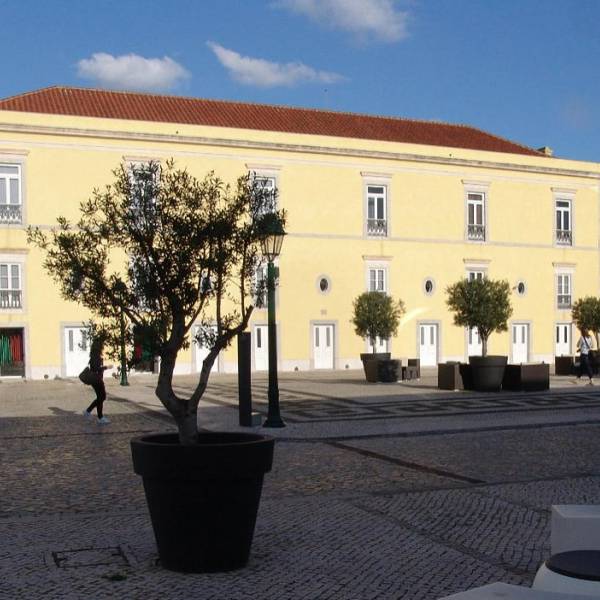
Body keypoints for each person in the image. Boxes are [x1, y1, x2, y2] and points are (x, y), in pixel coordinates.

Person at [82, 335, 111, 424]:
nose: (103, 346)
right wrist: (106, 367)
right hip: (96, 379)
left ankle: (97, 416)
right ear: (99, 346)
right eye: (102, 345)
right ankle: (91, 413)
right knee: (102, 397)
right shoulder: (95, 355)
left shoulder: (95, 354)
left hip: (97, 378)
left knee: (100, 397)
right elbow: (95, 368)